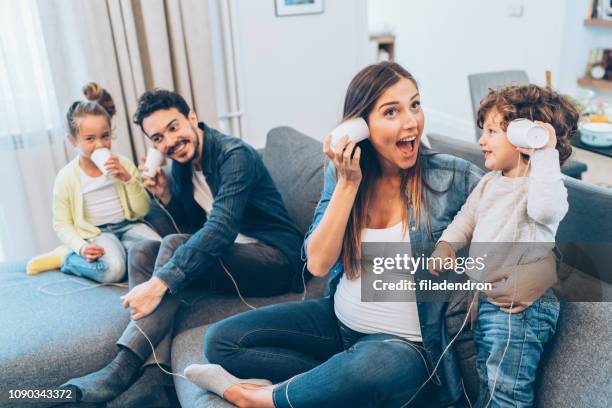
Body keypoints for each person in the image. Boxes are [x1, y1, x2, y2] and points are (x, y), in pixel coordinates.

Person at [183, 62, 558, 407]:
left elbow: (532, 223)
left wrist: (545, 271)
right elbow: (317, 262)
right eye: (391, 112)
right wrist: (348, 184)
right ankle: (328, 386)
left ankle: (260, 398)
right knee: (222, 342)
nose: (411, 122)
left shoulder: (453, 177)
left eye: (415, 105)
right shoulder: (344, 175)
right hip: (338, 323)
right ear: (361, 125)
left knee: (372, 367)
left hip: (408, 350)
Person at [59, 89, 305, 403]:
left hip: (275, 259)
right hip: (234, 256)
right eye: (158, 138)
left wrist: (159, 283)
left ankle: (122, 367)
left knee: (172, 247)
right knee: (142, 250)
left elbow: (219, 230)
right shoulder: (182, 165)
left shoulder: (234, 156)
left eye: (173, 128)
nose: (169, 142)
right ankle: (155, 376)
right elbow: (190, 227)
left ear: (191, 118)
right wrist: (166, 197)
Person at [430, 84, 578, 407]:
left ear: (525, 136)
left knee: (506, 392)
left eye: (492, 131)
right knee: (490, 382)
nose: (482, 141)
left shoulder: (539, 187)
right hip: (487, 303)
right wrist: (446, 246)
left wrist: (545, 153)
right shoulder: (489, 183)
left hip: (519, 312)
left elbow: (547, 210)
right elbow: (466, 218)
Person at [28, 83, 161, 282]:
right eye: (90, 139)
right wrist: (80, 246)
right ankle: (66, 258)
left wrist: (129, 180)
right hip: (97, 233)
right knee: (113, 270)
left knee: (163, 253)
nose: (100, 144)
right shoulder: (66, 178)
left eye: (105, 136)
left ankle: (124, 251)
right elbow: (62, 223)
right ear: (72, 141)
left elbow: (142, 211)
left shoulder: (123, 164)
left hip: (128, 225)